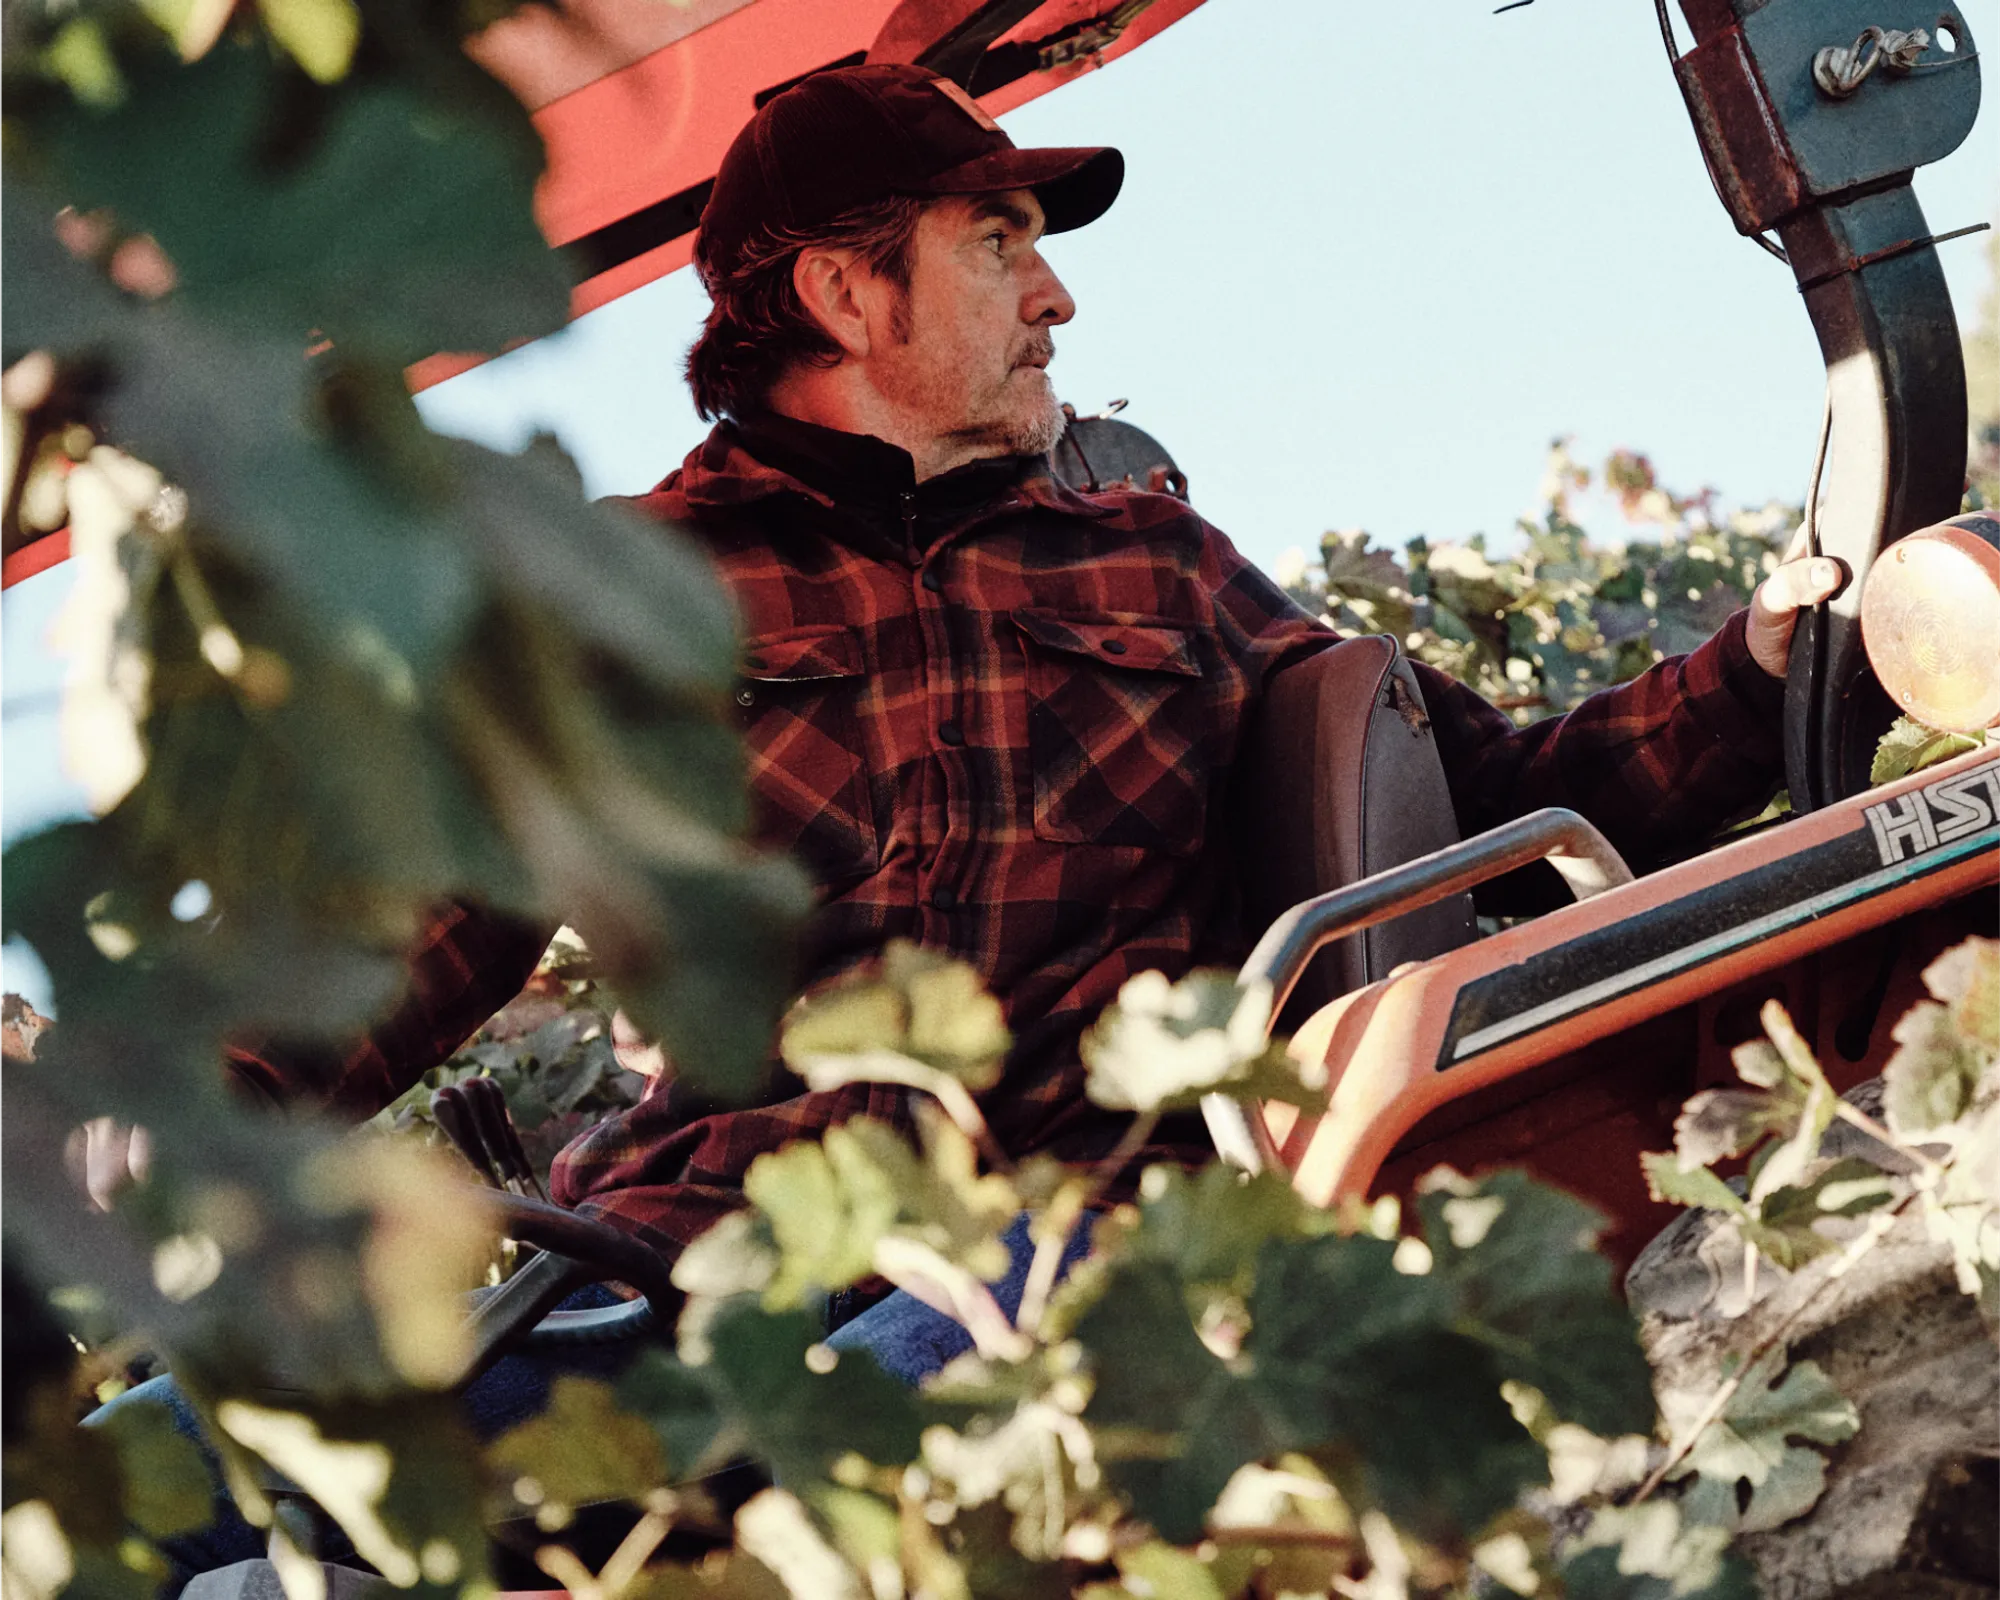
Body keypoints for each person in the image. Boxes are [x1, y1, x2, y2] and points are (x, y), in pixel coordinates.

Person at [102, 64, 1842, 1560]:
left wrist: (1767, 661)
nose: (1055, 298)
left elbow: (1524, 802)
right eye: (999, 245)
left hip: (1052, 1253)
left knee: (790, 1508)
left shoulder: (1164, 568)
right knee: (149, 1470)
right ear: (852, 298)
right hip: (686, 1258)